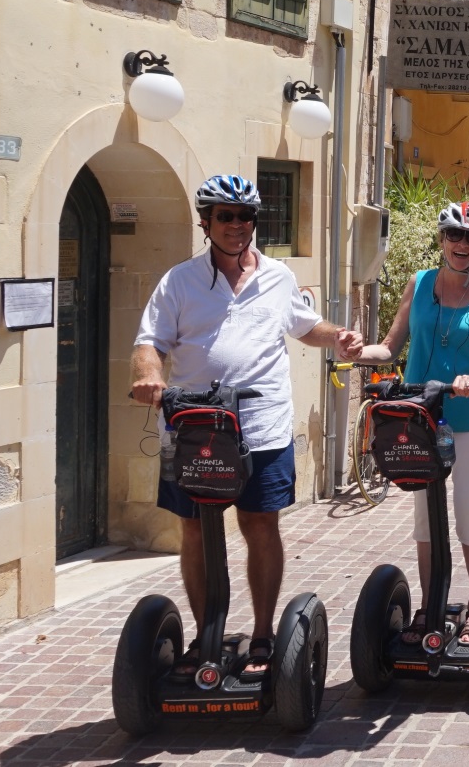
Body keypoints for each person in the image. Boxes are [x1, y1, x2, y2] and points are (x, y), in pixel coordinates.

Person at [131, 175, 366, 679]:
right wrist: (149, 376)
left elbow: (305, 325)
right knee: (193, 530)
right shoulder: (179, 281)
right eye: (225, 216)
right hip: (193, 429)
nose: (237, 226)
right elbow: (150, 341)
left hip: (262, 426)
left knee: (260, 525)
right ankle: (204, 635)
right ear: (206, 223)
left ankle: (262, 635)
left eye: (245, 217)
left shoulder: (278, 277)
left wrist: (339, 337)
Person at [357, 201, 469, 647]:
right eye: (455, 235)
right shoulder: (420, 283)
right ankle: (429, 604)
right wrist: (356, 352)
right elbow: (390, 346)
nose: (463, 244)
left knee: (468, 508)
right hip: (420, 413)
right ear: (442, 239)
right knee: (426, 516)